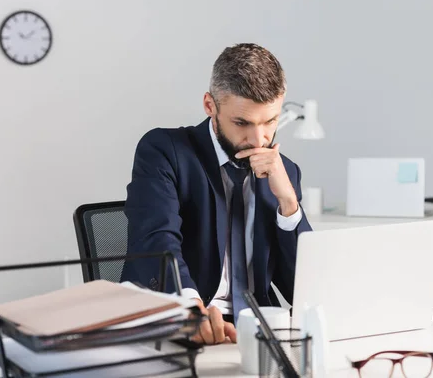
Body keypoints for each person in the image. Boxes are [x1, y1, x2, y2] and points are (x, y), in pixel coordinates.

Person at [120, 43, 312, 345]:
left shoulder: (285, 172)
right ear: (210, 106)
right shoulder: (165, 151)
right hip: (180, 322)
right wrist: (188, 308)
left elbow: (300, 289)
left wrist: (288, 203)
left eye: (270, 122)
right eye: (242, 123)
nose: (258, 139)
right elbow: (157, 239)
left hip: (258, 329)